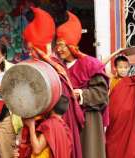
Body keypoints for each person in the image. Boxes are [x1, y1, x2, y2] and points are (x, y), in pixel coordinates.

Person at [20, 7, 82, 158]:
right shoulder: (43, 66)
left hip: (52, 128)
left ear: (40, 48)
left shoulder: (53, 69)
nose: (29, 53)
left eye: (32, 49)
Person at [55, 11, 109, 158]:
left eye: (62, 45)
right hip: (65, 120)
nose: (58, 49)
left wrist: (81, 94)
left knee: (88, 152)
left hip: (88, 120)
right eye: (57, 45)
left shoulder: (91, 64)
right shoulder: (58, 67)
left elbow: (102, 94)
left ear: (72, 45)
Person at [106, 53, 135, 158]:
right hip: (114, 124)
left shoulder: (133, 81)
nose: (123, 70)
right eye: (120, 67)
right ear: (115, 68)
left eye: (125, 67)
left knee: (131, 147)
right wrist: (117, 52)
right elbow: (100, 65)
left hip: (129, 122)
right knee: (110, 147)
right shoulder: (112, 79)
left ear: (128, 68)